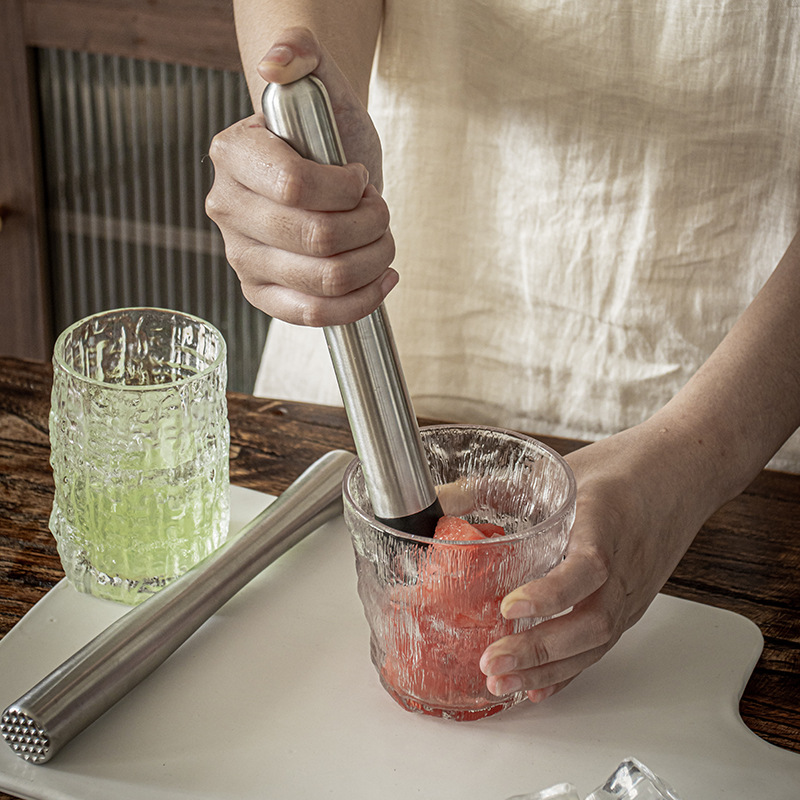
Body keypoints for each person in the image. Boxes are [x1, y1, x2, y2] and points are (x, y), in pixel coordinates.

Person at [206, 3, 800, 704]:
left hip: (751, 397)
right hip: (367, 377)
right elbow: (297, 53)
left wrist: (700, 455)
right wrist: (299, 176)